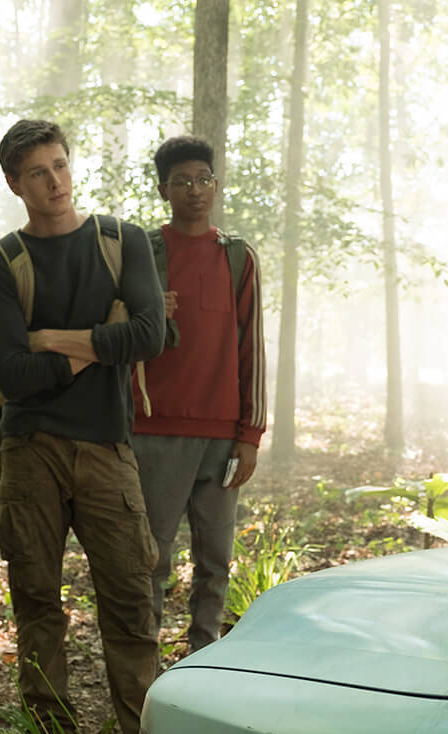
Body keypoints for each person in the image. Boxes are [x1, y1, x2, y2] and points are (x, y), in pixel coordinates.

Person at [0, 119, 167, 734]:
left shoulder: (122, 242)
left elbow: (151, 336)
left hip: (109, 446)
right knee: (36, 603)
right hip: (30, 451)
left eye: (60, 165)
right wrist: (100, 344)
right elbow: (15, 376)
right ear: (14, 183)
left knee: (132, 605)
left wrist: (57, 339)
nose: (54, 181)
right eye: (37, 172)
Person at [132, 136, 266, 654]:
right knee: (152, 560)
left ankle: (204, 657)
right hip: (155, 432)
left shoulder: (237, 258)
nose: (195, 190)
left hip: (222, 436)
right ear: (164, 189)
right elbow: (112, 333)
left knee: (215, 559)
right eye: (183, 181)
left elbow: (251, 346)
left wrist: (250, 434)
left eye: (204, 179)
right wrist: (147, 313)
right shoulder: (143, 252)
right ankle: (142, 671)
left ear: (215, 184)